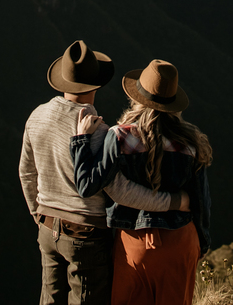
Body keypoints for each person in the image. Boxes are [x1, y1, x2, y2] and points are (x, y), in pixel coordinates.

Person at [20, 41, 191, 305]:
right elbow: (121, 191)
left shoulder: (36, 116)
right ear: (97, 86)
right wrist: (173, 201)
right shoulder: (100, 134)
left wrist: (37, 213)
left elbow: (26, 173)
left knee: (49, 298)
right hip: (85, 234)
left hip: (46, 224)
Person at [71, 59, 212, 305]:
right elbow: (201, 200)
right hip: (181, 242)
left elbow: (87, 185)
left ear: (137, 98)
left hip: (134, 242)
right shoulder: (191, 144)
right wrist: (202, 242)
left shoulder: (120, 137)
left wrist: (82, 141)